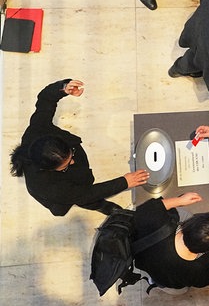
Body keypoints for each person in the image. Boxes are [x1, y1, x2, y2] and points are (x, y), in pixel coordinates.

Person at [10, 79, 149, 216]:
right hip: (64, 192)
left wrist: (64, 87)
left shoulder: (38, 129)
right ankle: (102, 206)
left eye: (70, 155)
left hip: (69, 183)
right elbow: (86, 194)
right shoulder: (47, 187)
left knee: (81, 186)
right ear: (48, 169)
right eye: (65, 165)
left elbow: (45, 99)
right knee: (80, 198)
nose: (73, 161)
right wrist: (124, 182)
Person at [133, 192, 209, 294]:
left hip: (144, 258)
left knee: (183, 213)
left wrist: (179, 200)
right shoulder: (200, 271)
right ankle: (155, 282)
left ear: (191, 222)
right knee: (181, 291)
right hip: (166, 280)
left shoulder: (158, 221)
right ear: (208, 249)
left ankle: (153, 278)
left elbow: (148, 209)